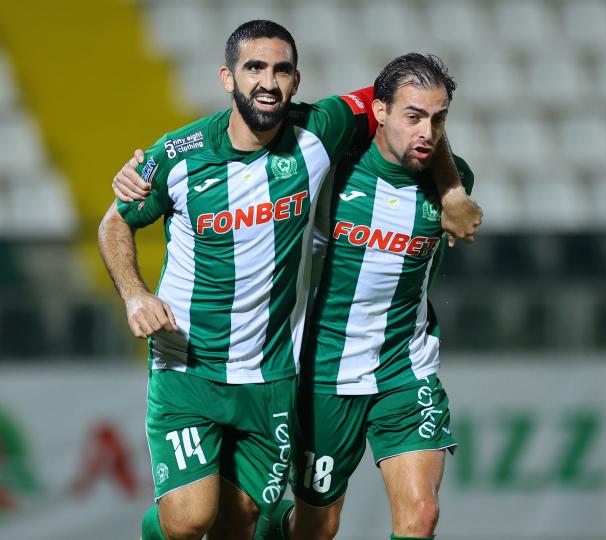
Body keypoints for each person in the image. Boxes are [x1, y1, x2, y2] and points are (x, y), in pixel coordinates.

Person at [102, 20, 481, 540]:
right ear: (227, 77)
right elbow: (115, 221)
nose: (267, 81)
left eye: (281, 70)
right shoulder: (180, 154)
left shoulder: (318, 135)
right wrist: (134, 295)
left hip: (276, 370)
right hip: (191, 362)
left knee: (247, 519)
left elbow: (414, 105)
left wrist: (453, 190)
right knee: (193, 521)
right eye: (254, 68)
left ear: (296, 80)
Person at [253, 53, 472, 540]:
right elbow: (254, 128)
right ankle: (272, 528)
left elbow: (441, 160)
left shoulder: (450, 183)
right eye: (413, 116)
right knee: (317, 527)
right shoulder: (329, 169)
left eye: (438, 119)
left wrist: (454, 192)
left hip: (404, 367)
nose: (427, 132)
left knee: (422, 514)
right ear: (379, 112)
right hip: (324, 372)